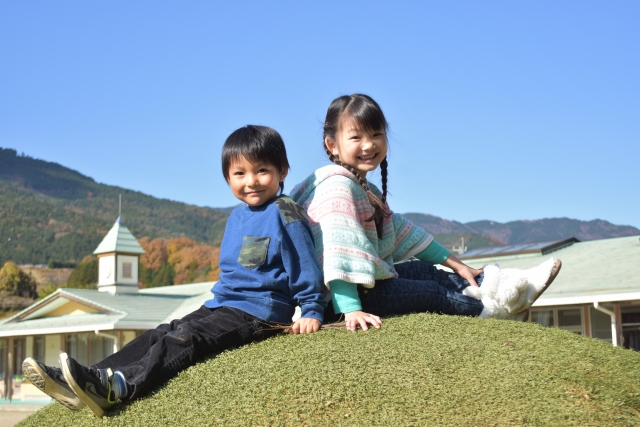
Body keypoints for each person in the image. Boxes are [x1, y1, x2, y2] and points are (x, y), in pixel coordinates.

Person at [22, 125, 326, 417]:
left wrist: (312, 309)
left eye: (262, 170)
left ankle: (120, 386)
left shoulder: (284, 211)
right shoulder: (237, 216)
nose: (251, 181)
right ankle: (89, 377)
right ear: (227, 178)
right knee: (163, 331)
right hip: (222, 304)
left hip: (259, 312)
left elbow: (304, 262)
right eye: (239, 173)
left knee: (188, 336)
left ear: (282, 170)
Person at [290, 94, 561, 332]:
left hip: (359, 289)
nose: (369, 144)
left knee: (423, 270)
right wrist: (351, 309)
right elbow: (340, 253)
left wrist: (458, 264)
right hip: (338, 301)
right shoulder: (337, 189)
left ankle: (503, 285)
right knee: (430, 291)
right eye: (356, 137)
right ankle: (495, 311)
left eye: (376, 134)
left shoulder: (360, 187)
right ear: (332, 145)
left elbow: (405, 233)